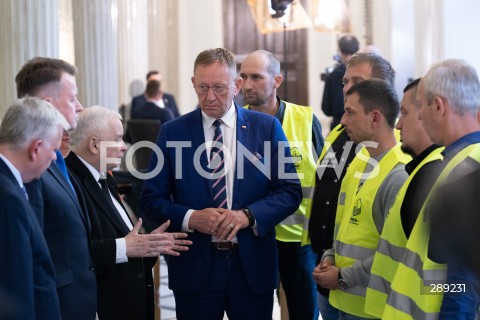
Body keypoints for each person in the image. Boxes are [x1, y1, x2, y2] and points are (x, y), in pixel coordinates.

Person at [140, 48, 302, 320]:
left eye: (219, 87)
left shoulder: (266, 128)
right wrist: (191, 218)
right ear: (193, 83)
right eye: (203, 87)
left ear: (236, 85)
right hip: (195, 266)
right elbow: (150, 200)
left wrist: (247, 216)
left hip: (251, 264)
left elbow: (290, 191)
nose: (210, 96)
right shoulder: (172, 132)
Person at [66, 106, 192, 320]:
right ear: (94, 144)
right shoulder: (70, 182)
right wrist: (128, 246)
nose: (124, 147)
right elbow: (71, 253)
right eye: (117, 139)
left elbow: (122, 239)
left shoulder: (103, 176)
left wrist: (148, 245)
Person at [384, 59, 480, 319]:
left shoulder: (466, 171)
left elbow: (463, 282)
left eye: (420, 108)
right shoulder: (457, 162)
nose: (419, 117)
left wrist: (433, 291)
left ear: (438, 106)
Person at [305, 52, 396, 320]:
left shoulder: (391, 146)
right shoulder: (338, 133)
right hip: (328, 267)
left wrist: (343, 275)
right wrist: (328, 256)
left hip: (363, 288)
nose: (347, 88)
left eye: (357, 81)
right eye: (345, 81)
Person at [240, 49, 323, 320]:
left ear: (277, 80)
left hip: (299, 241)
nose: (247, 85)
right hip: (253, 236)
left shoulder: (305, 120)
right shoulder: (234, 123)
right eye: (243, 77)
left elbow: (326, 180)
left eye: (256, 77)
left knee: (304, 311)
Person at [15, 56, 97, 319]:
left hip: (77, 298)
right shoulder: (31, 165)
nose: (80, 106)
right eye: (72, 99)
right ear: (49, 105)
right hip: (56, 305)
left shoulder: (56, 157)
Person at [364, 78, 443, 318]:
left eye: (405, 113)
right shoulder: (419, 170)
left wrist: (428, 292)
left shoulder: (433, 176)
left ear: (429, 114)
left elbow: (454, 282)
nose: (398, 125)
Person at [0, 97, 68, 320]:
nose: (54, 158)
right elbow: (14, 288)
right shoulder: (7, 197)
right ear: (36, 147)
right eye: (54, 150)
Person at [321, 34, 359, 130]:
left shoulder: (332, 76)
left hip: (338, 127)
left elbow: (326, 109)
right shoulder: (363, 74)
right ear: (357, 50)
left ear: (340, 51)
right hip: (360, 127)